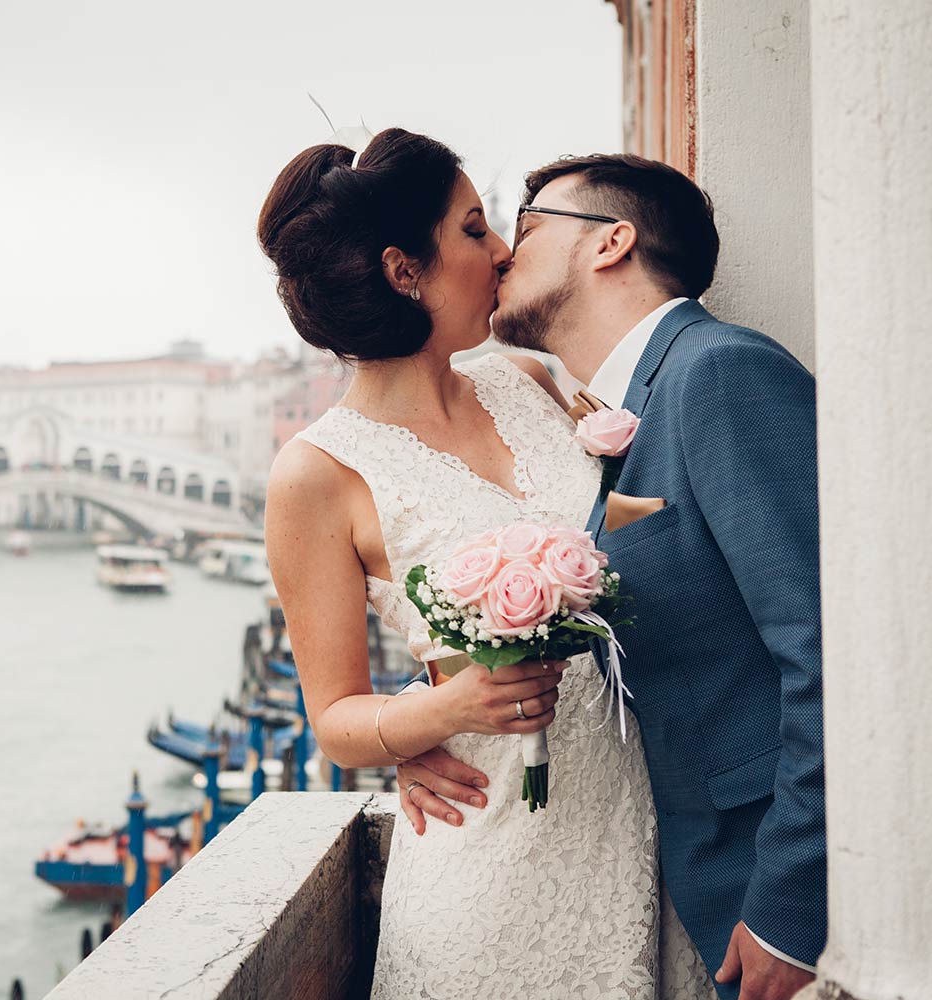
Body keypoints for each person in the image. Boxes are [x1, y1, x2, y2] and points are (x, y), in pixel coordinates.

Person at [260, 129, 711, 999]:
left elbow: (648, 526)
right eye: (473, 230)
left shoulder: (530, 381)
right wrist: (439, 711)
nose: (502, 250)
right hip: (493, 853)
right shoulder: (316, 475)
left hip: (652, 823)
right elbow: (335, 717)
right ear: (404, 271)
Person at [401, 153, 825, 1000]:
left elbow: (833, 652)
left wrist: (794, 909)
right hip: (682, 876)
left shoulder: (719, 373)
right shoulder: (628, 404)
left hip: (771, 887)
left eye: (524, 230)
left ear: (611, 243)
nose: (504, 256)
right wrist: (432, 720)